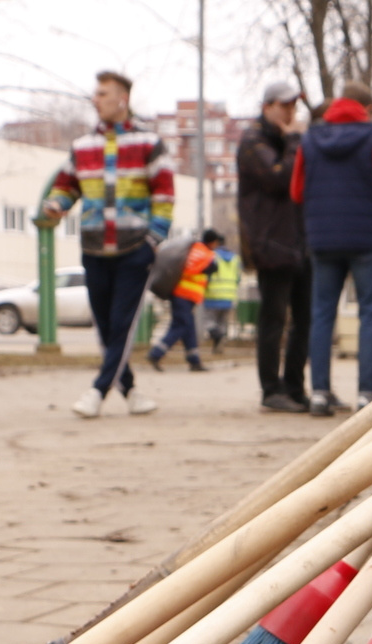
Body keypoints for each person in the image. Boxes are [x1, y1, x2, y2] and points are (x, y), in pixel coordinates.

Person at [39, 70, 170, 419]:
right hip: (94, 247)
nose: (95, 100)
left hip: (134, 248)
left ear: (122, 99)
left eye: (102, 94)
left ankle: (98, 390)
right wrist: (57, 203)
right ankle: (131, 392)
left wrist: (153, 240)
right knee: (105, 325)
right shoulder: (82, 147)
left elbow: (164, 194)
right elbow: (66, 186)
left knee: (122, 324)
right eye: (95, 94)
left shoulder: (148, 144)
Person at [289, 78, 372, 415]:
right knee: (371, 313)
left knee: (322, 313)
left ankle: (320, 393)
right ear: (367, 109)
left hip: (323, 239)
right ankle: (367, 393)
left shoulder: (310, 139)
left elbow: (297, 193)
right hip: (366, 238)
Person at [236, 79, 311, 412]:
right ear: (267, 108)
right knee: (273, 319)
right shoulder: (253, 140)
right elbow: (280, 178)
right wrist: (295, 139)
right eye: (284, 106)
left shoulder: (284, 140)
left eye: (294, 106)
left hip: (298, 240)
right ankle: (271, 390)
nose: (290, 113)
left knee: (305, 318)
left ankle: (295, 387)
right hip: (271, 243)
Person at [147, 228, 216, 373]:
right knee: (180, 326)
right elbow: (205, 268)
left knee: (188, 327)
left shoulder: (194, 249)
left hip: (181, 294)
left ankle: (194, 361)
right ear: (213, 242)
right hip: (184, 295)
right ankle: (156, 354)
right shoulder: (203, 252)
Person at [201, 234, 239, 354]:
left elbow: (205, 274)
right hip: (229, 296)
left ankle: (217, 336)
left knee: (209, 322)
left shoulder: (212, 255)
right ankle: (219, 344)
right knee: (222, 323)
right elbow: (238, 278)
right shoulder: (235, 258)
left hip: (212, 294)